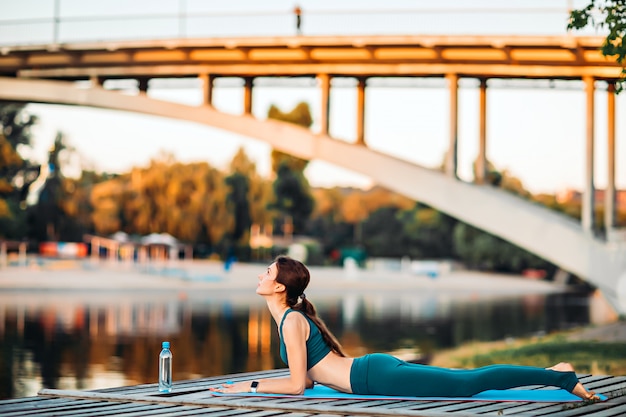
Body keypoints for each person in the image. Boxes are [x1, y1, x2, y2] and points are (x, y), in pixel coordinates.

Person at [210, 256, 599, 400]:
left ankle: (557, 376)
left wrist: (252, 386)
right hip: (370, 372)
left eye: (268, 272)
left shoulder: (292, 320)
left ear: (279, 287)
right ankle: (555, 375)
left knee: (466, 384)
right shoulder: (287, 320)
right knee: (465, 379)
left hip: (372, 376)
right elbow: (309, 380)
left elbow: (296, 385)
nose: (261, 276)